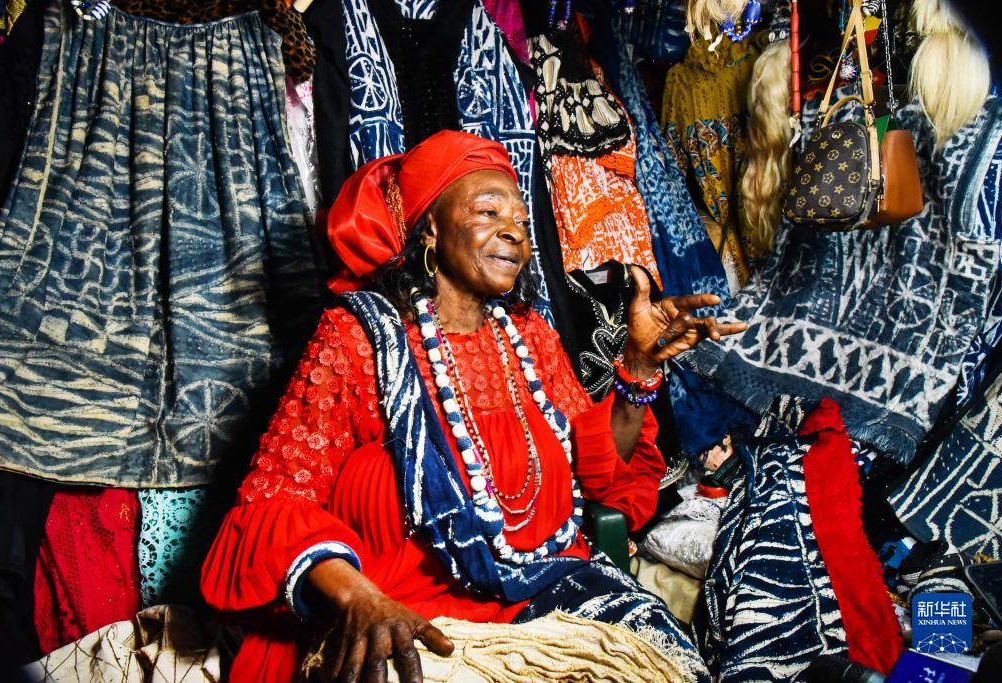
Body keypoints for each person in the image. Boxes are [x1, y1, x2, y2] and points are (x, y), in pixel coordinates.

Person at [201, 130, 745, 683]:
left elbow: (601, 474)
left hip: (549, 585)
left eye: (522, 220)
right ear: (431, 227)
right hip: (404, 609)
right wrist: (360, 598)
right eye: (489, 212)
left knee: (667, 665)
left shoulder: (529, 336)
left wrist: (639, 366)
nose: (515, 231)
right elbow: (274, 499)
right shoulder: (358, 340)